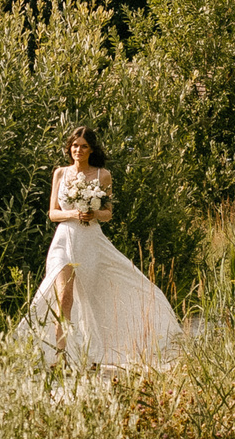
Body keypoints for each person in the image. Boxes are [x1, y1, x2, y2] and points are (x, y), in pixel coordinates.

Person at [21, 126, 182, 370]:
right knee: (64, 297)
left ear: (92, 149)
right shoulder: (60, 173)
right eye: (75, 145)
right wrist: (74, 213)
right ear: (69, 148)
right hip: (64, 240)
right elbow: (53, 213)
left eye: (83, 146)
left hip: (90, 241)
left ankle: (90, 351)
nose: (78, 150)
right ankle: (60, 355)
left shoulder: (102, 175)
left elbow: (108, 214)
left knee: (89, 299)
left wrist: (93, 212)